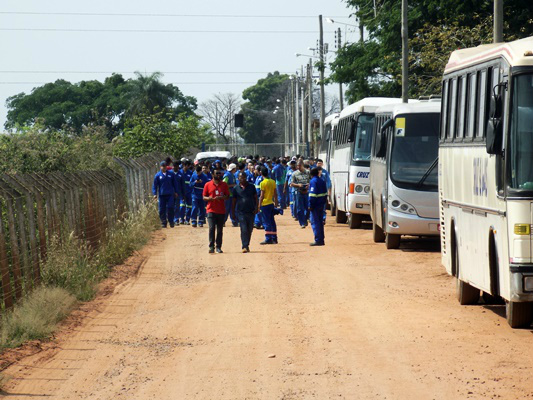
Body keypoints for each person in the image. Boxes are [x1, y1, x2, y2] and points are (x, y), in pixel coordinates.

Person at [203, 169, 230, 253]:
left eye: (219, 173)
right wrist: (210, 199)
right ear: (213, 175)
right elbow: (204, 197)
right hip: (211, 210)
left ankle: (218, 247)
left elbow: (227, 196)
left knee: (219, 230)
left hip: (221, 211)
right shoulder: (208, 184)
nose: (219, 175)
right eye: (217, 173)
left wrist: (221, 198)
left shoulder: (224, 185)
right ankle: (211, 246)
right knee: (211, 228)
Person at [232, 171, 258, 253]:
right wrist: (232, 213)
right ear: (238, 178)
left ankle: (247, 244)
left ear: (246, 178)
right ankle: (244, 246)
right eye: (240, 177)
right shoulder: (236, 188)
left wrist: (257, 207)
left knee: (250, 229)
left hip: (251, 211)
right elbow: (234, 201)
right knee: (243, 229)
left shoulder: (251, 187)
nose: (242, 179)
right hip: (241, 212)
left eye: (243, 177)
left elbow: (256, 198)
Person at [152, 161, 179, 228]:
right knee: (162, 209)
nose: (164, 167)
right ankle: (163, 222)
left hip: (170, 194)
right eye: (162, 166)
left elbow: (175, 183)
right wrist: (155, 194)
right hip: (162, 195)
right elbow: (155, 186)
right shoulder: (158, 175)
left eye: (165, 166)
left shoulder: (171, 174)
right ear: (160, 167)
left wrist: (176, 192)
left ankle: (171, 221)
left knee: (170, 208)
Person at [257, 167, 279, 245]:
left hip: (264, 204)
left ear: (261, 173)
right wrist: (276, 203)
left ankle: (268, 238)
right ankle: (274, 238)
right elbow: (275, 194)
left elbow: (262, 196)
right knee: (272, 221)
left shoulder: (262, 183)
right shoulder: (273, 182)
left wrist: (259, 205)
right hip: (271, 203)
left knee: (266, 222)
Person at [308, 167, 327, 246]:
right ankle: (321, 239)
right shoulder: (322, 181)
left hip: (315, 206)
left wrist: (310, 205)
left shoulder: (313, 181)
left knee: (315, 223)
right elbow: (325, 194)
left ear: (311, 174)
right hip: (321, 205)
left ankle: (318, 240)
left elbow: (312, 195)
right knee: (320, 223)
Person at [291, 160, 311, 228]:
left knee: (308, 208)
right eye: (297, 166)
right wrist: (298, 185)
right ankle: (302, 223)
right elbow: (291, 183)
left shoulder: (308, 172)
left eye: (300, 166)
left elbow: (312, 180)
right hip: (299, 193)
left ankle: (305, 219)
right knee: (300, 209)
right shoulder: (294, 174)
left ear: (303, 165)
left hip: (307, 193)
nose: (298, 167)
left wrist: (309, 185)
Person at [180, 161, 193, 225]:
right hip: (181, 192)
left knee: (189, 206)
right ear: (184, 165)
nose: (187, 167)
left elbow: (192, 182)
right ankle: (181, 219)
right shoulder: (180, 172)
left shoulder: (190, 173)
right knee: (182, 206)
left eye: (188, 166)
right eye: (186, 165)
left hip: (189, 192)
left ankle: (187, 220)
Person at [172, 161, 185, 226]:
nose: (176, 168)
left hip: (178, 193)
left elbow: (183, 185)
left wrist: (183, 194)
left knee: (177, 206)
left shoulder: (180, 174)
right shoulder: (170, 174)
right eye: (175, 166)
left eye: (177, 166)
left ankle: (176, 219)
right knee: (171, 206)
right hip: (171, 193)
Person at [253, 165, 264, 230]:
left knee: (261, 210)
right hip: (256, 196)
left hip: (260, 196)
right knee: (257, 209)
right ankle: (257, 223)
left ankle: (262, 223)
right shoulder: (257, 178)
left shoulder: (262, 178)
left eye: (255, 169)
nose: (254, 171)